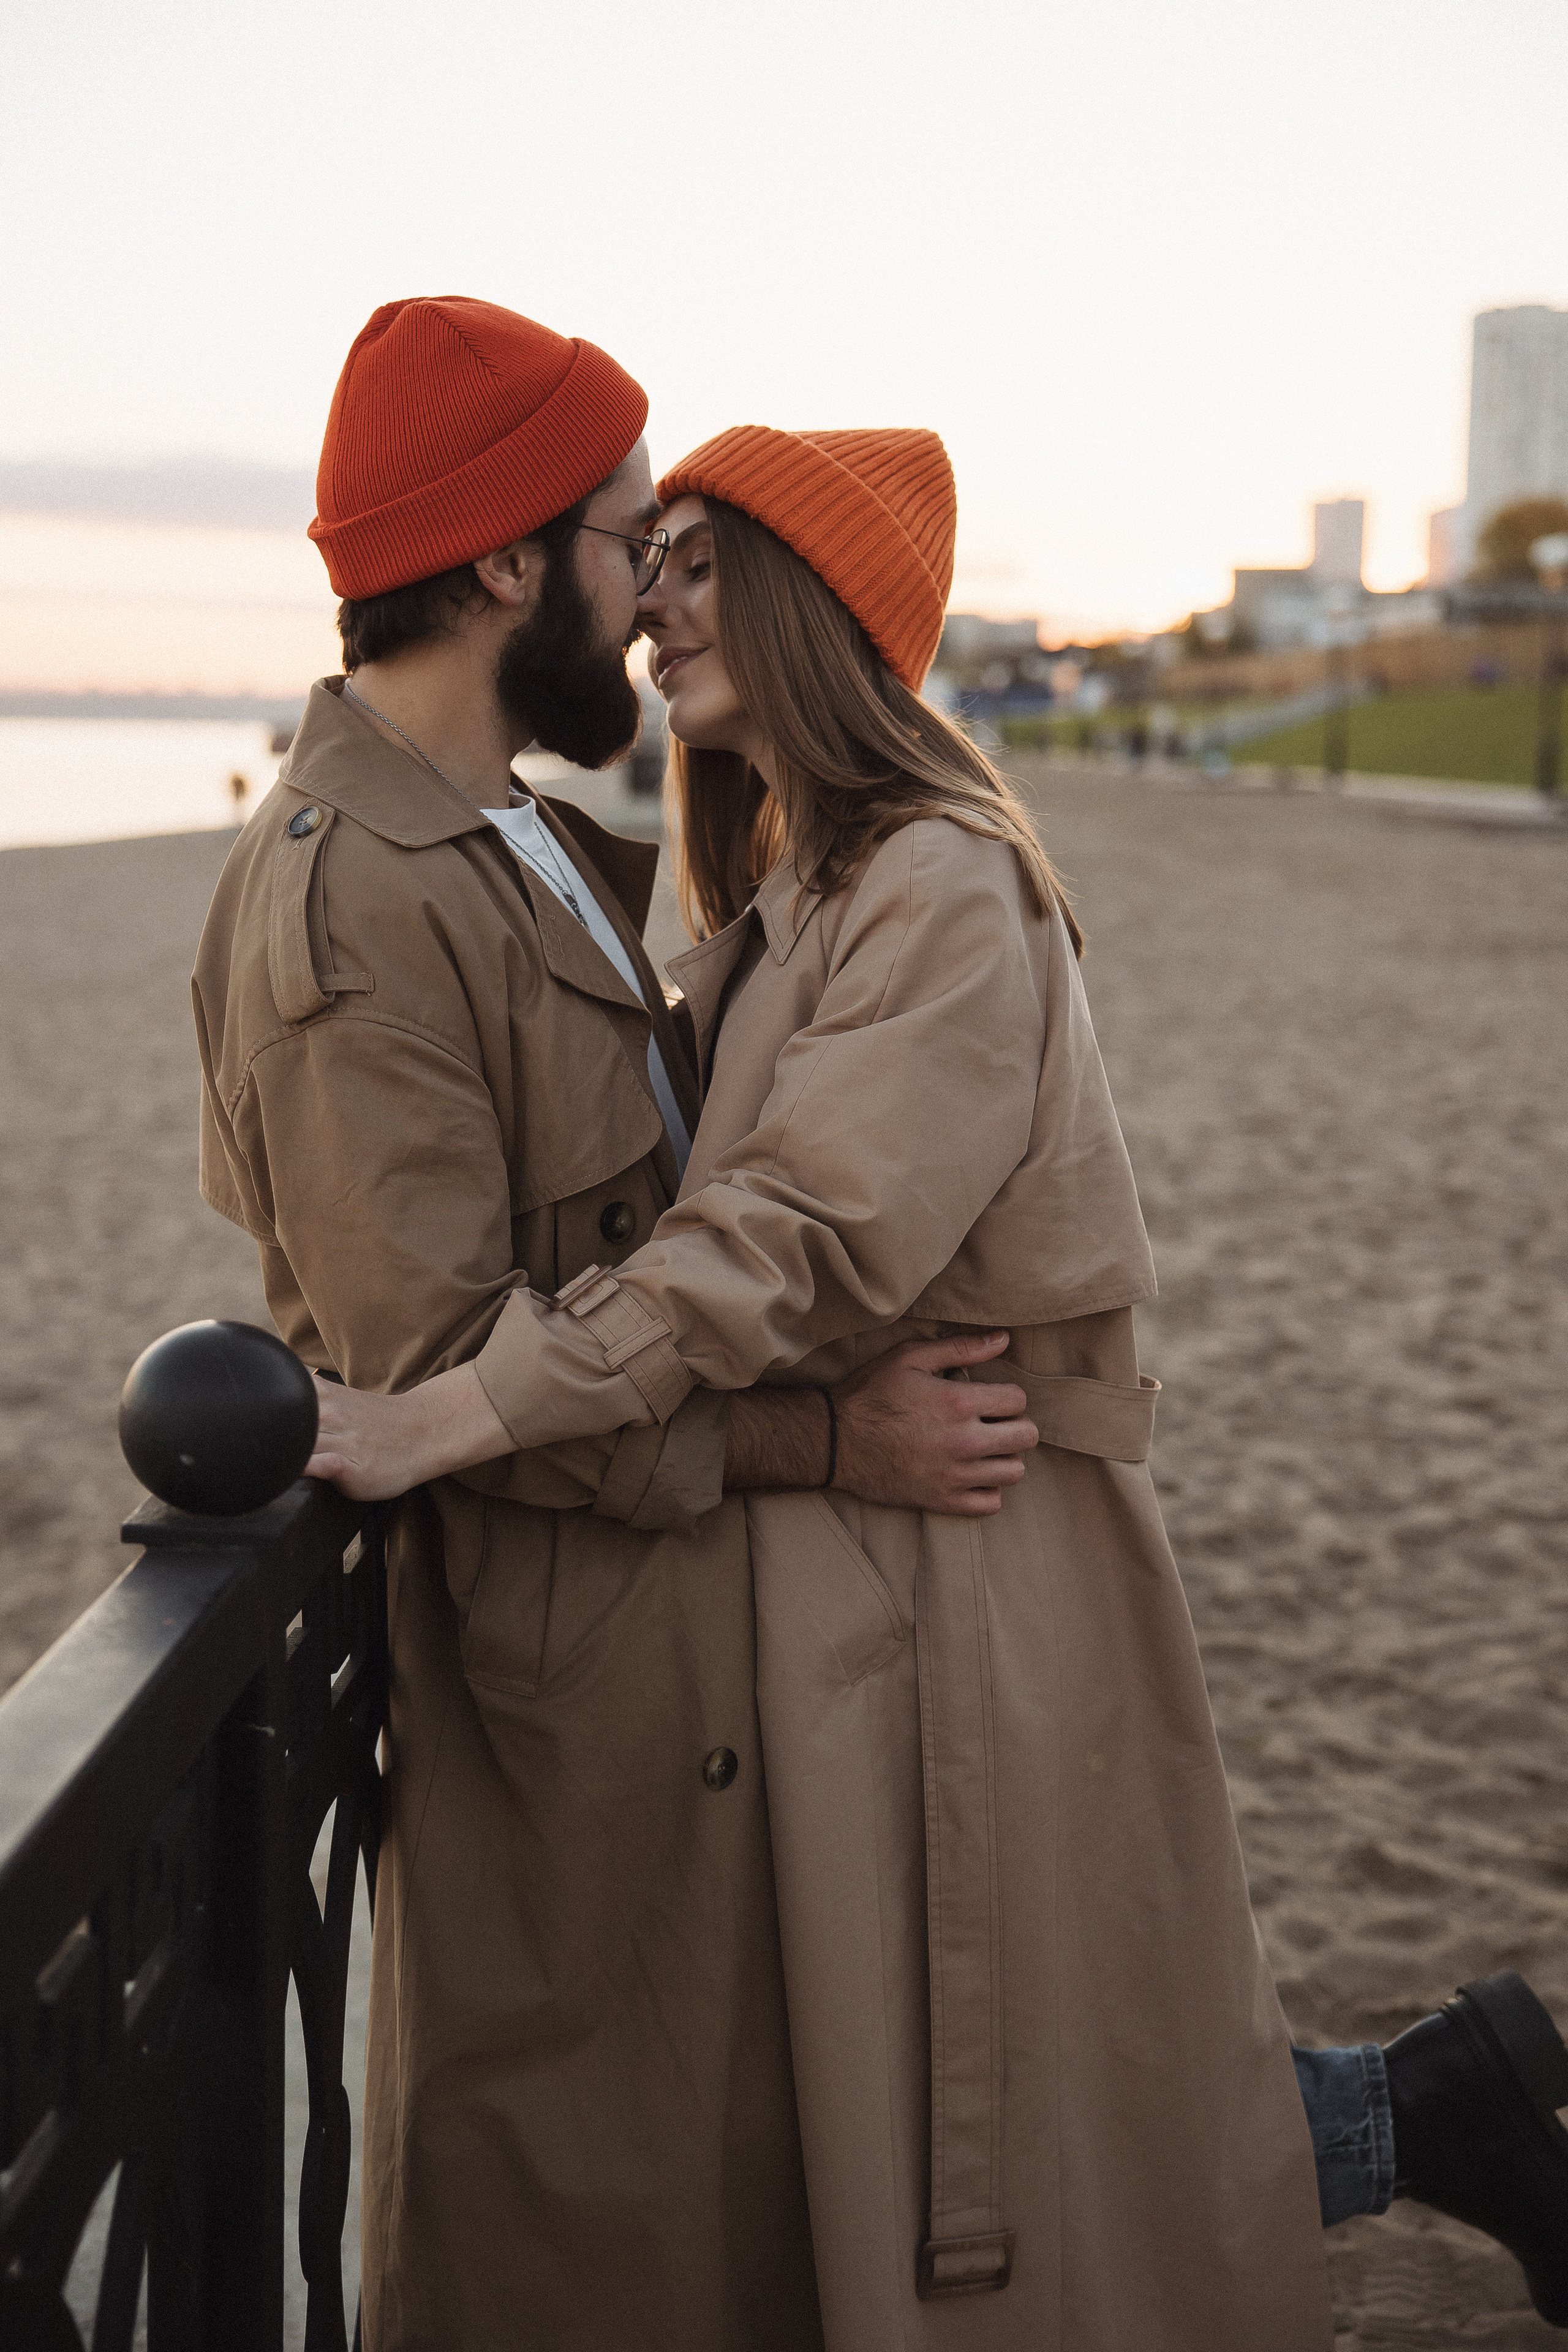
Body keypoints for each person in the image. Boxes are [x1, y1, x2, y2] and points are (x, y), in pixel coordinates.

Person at [311, 418, 1568, 2345]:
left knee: (1007, 2129)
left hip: (961, 1586)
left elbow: (794, 1235)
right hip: (866, 1580)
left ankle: (1436, 2108)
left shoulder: (941, 886)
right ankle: (1440, 2102)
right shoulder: (800, 890)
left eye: (705, 564)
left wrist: (461, 1408)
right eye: (656, 556)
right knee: (958, 2108)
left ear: (816, 603)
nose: (653, 606)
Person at [192, 301, 1047, 2352]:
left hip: (700, 1675)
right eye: (628, 536)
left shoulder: (516, 844)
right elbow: (440, 1382)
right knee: (580, 2251)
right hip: (577, 1722)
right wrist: (828, 1443)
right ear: (505, 562)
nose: (655, 585)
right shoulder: (352, 896)